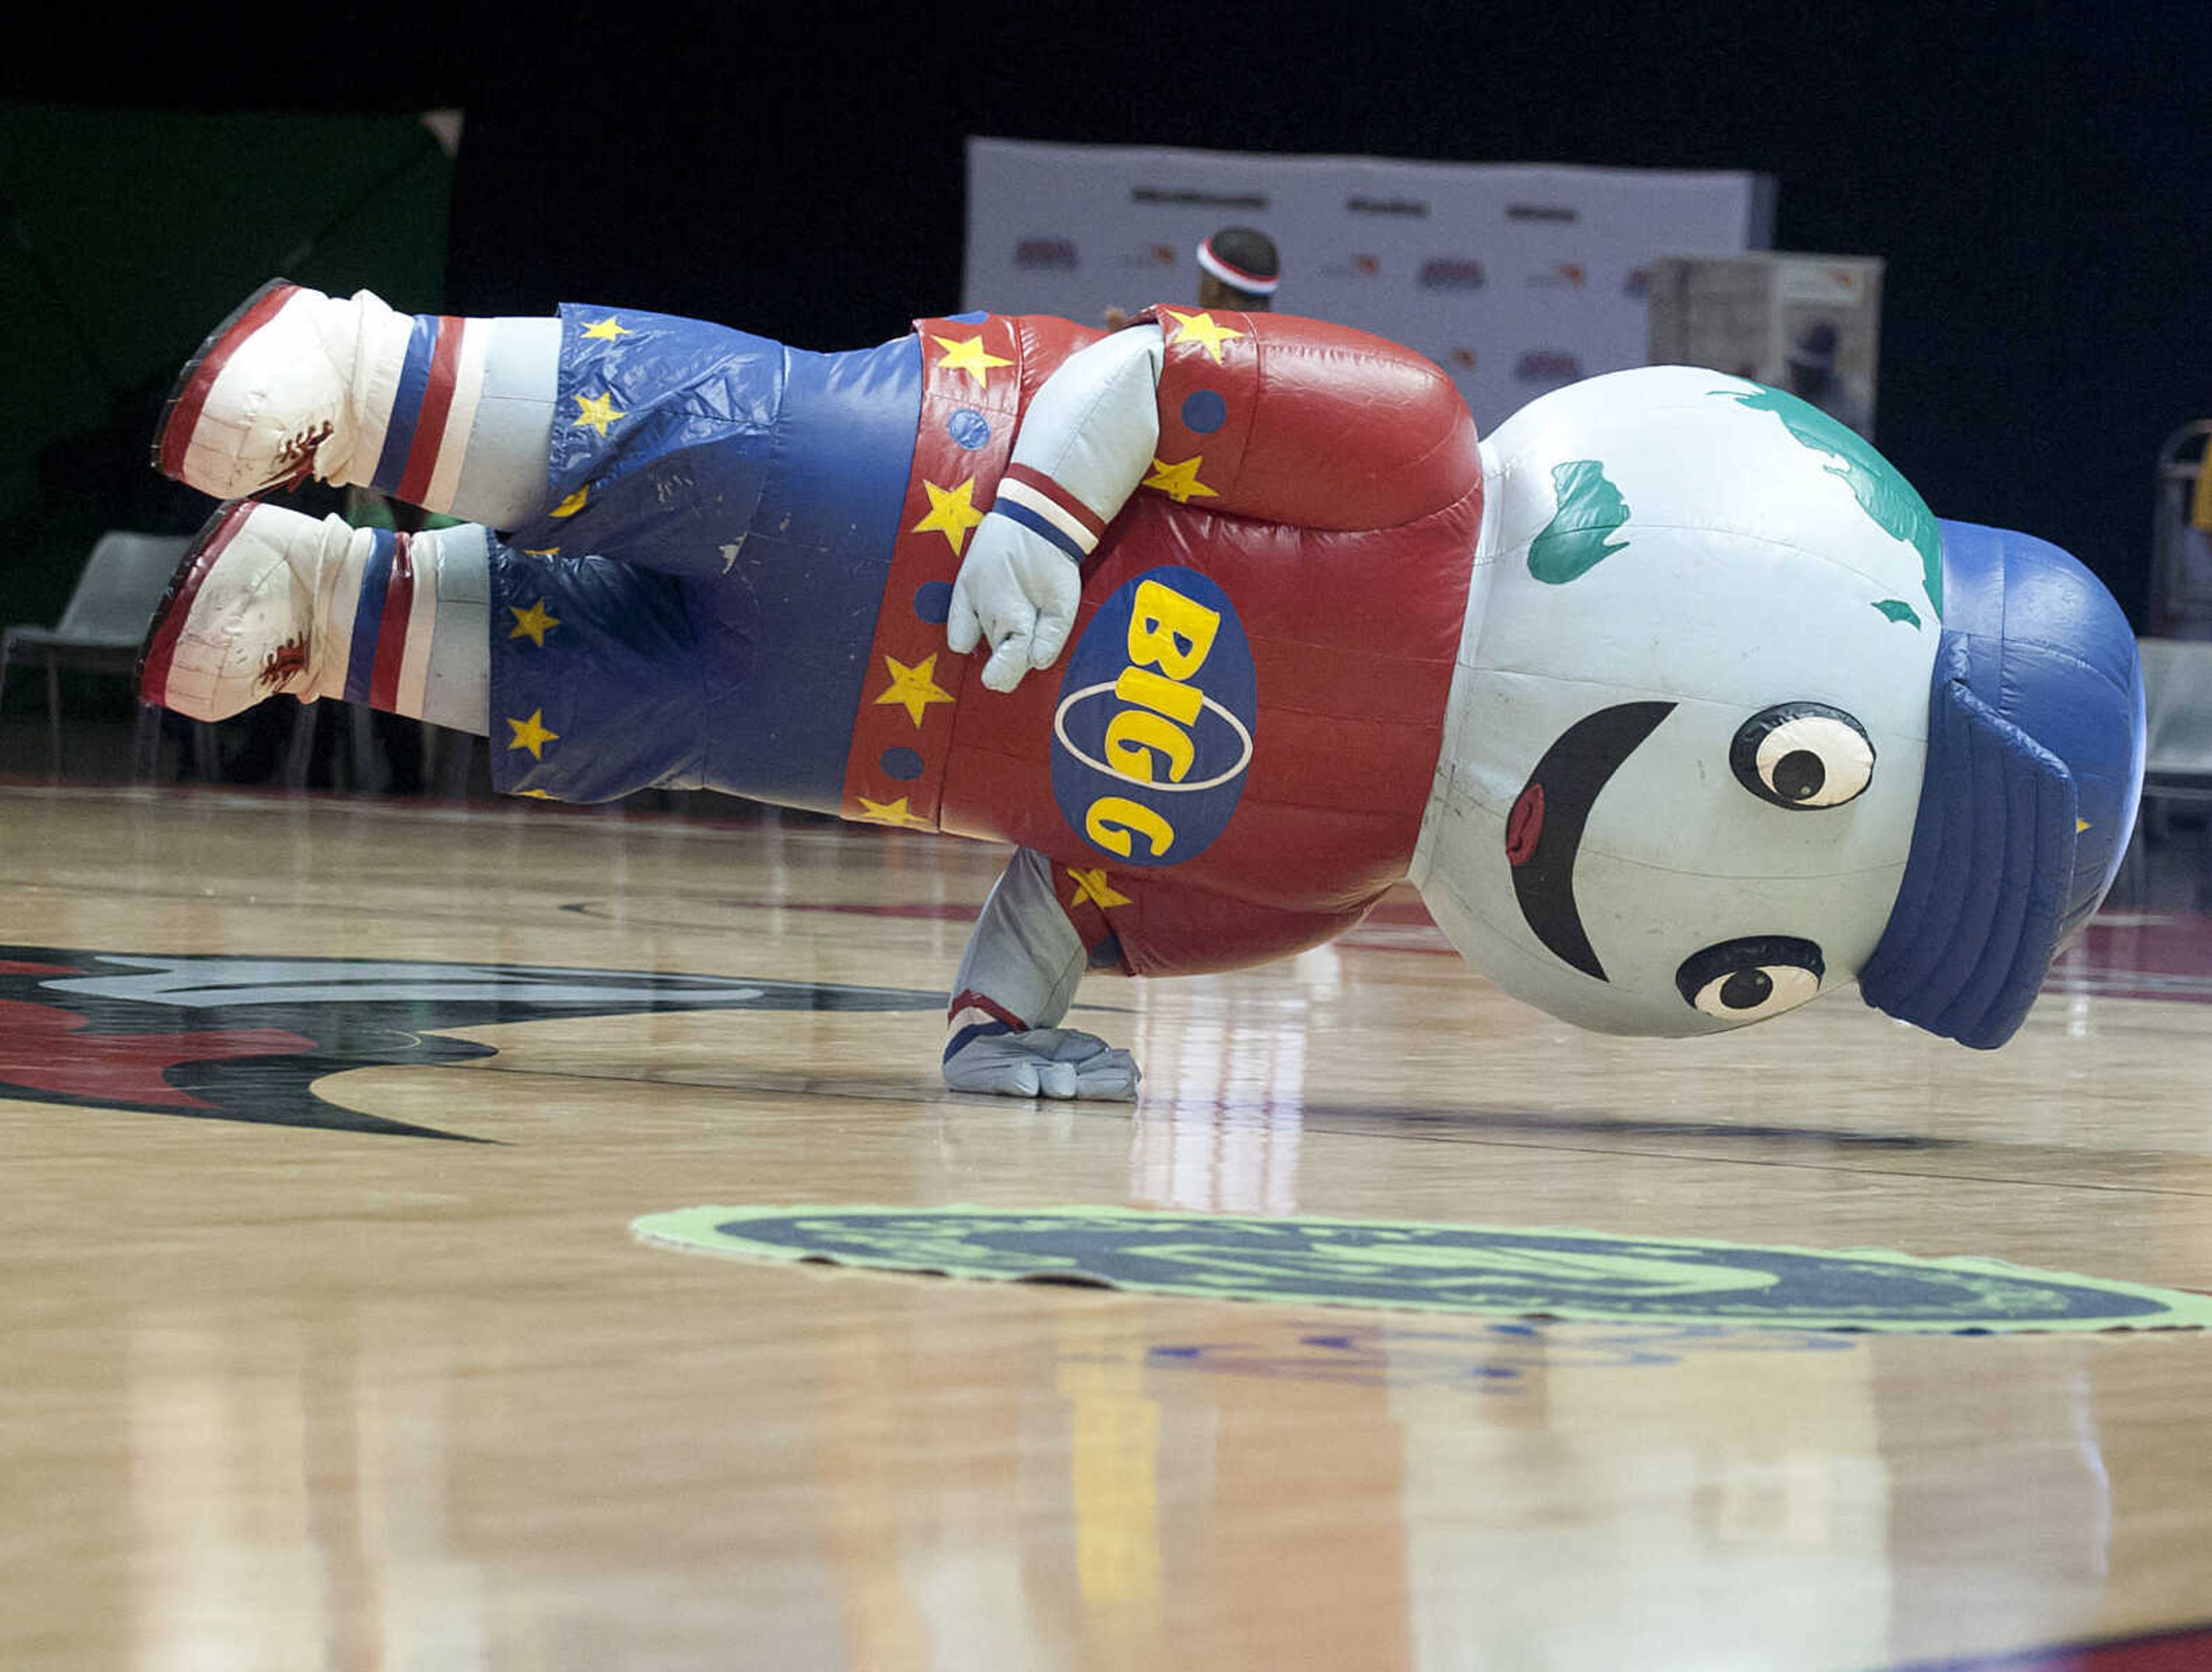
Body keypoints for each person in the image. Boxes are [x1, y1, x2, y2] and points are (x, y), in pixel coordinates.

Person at [140, 279, 2145, 1100]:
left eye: (1761, 965)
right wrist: (1036, 503)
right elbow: (1163, 376)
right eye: (1800, 778)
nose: (1711, 886)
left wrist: (1006, 1020)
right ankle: (366, 367)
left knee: (619, 696)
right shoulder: (1427, 471)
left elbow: (1087, 892)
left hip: (855, 746)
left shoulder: (1342, 875)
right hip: (920, 478)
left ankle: (331, 604)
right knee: (697, 437)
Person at [1105, 226, 1278, 331]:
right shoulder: (1297, 348)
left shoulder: (1179, 349)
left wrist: (1127, 348)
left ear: (1214, 288)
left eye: (1204, 277)